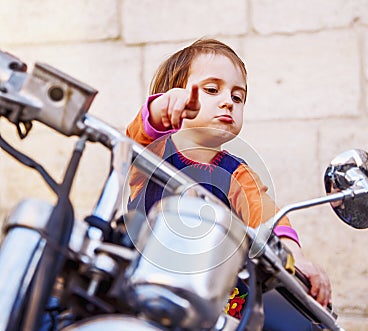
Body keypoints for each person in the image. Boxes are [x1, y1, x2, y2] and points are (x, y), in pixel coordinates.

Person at [126, 38, 331, 308]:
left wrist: (296, 257)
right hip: (139, 288)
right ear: (172, 95)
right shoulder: (154, 152)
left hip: (211, 304)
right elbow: (134, 139)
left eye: (238, 97)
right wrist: (159, 110)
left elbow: (269, 218)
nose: (228, 102)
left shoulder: (237, 174)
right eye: (212, 89)